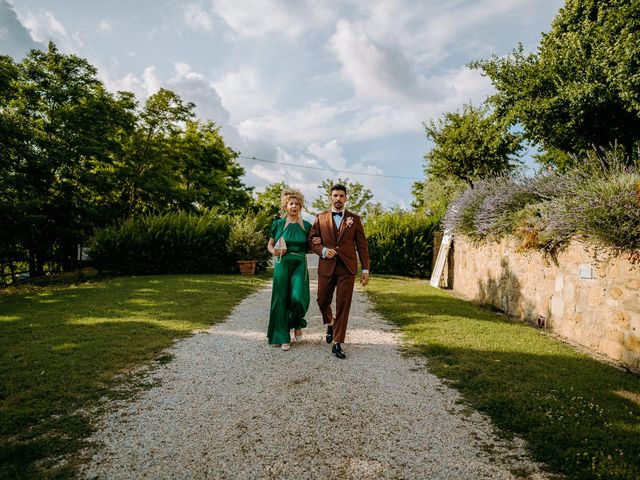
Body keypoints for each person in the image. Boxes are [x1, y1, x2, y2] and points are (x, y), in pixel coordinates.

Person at [309, 183, 370, 359]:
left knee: (343, 304)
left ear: (346, 198)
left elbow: (362, 246)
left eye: (341, 196)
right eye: (335, 196)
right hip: (327, 266)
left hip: (347, 268)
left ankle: (337, 342)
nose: (338, 199)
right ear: (330, 197)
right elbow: (312, 240)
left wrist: (365, 269)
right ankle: (330, 322)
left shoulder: (354, 219)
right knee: (322, 300)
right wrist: (322, 250)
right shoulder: (320, 218)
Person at [266, 188, 312, 351]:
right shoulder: (278, 224)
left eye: (297, 204)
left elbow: (313, 246)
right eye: (291, 203)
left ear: (300, 207)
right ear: (286, 206)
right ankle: (282, 335)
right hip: (282, 263)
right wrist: (274, 251)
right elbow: (270, 245)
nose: (294, 206)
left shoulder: (307, 226)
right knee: (281, 298)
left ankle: (297, 322)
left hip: (300, 263)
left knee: (299, 298)